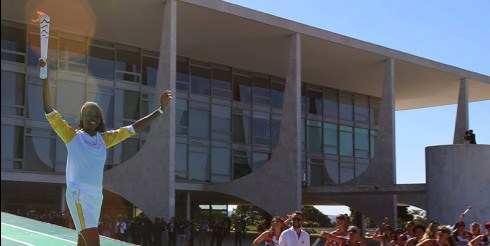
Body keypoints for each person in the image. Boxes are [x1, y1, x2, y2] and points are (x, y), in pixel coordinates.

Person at [39, 58, 172, 246]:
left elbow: (133, 128)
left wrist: (160, 111)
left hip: (95, 197)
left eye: (96, 115)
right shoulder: (72, 137)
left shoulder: (104, 139)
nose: (92, 117)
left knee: (84, 241)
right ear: (81, 118)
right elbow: (49, 110)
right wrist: (44, 78)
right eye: (88, 114)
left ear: (100, 118)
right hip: (78, 195)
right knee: (93, 241)